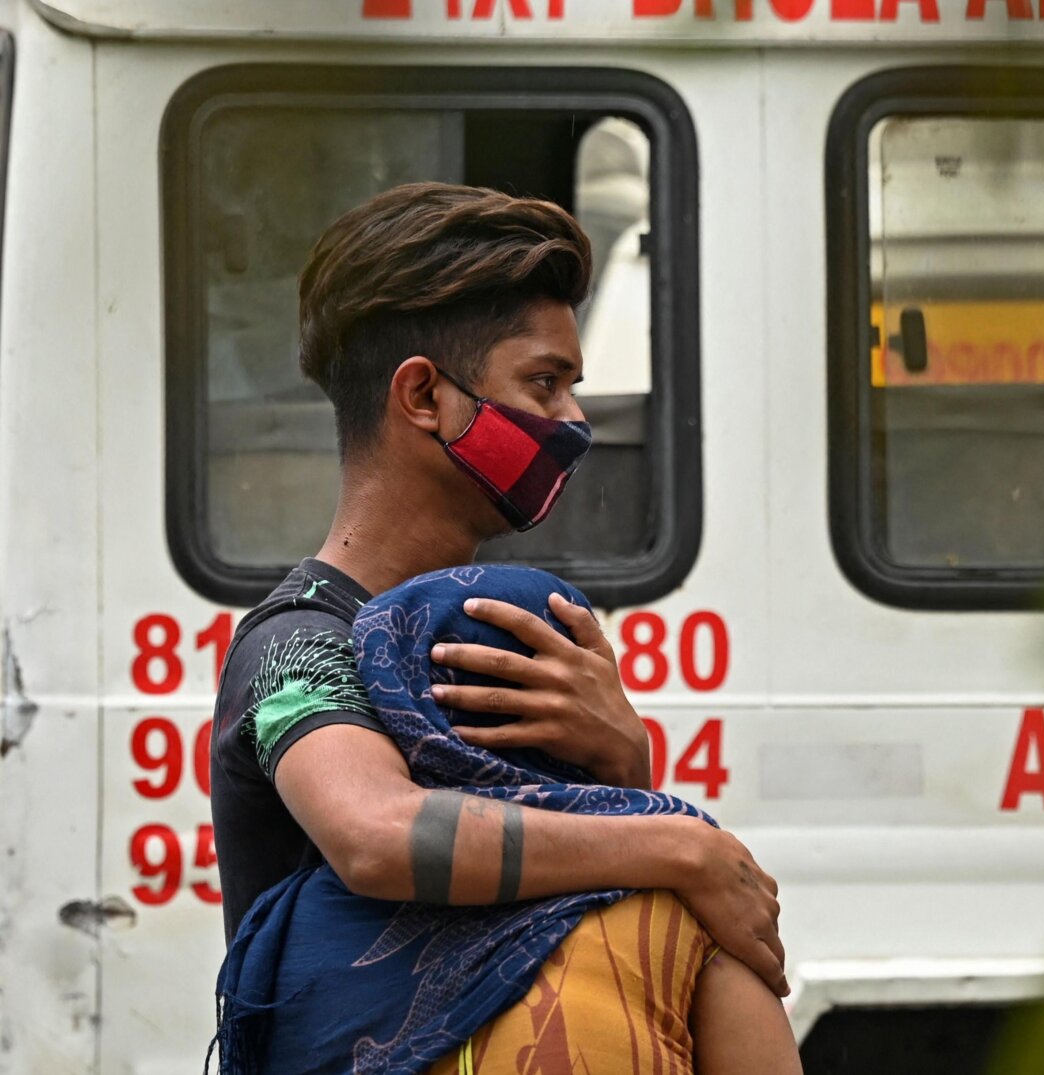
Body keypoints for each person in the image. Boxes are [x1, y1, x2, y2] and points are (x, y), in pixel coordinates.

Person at [207, 182, 798, 1073]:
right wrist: (681, 841)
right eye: (544, 382)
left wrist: (624, 765)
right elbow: (375, 835)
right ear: (422, 397)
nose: (573, 420)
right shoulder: (299, 643)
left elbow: (586, 877)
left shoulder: (519, 630)